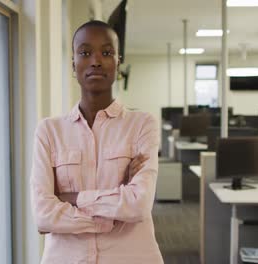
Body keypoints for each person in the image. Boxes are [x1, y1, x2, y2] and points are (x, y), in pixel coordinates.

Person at [30, 20, 164, 264]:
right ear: (74, 64)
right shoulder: (49, 131)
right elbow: (43, 215)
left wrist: (72, 198)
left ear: (117, 62)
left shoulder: (142, 125)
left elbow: (138, 206)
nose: (96, 61)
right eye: (85, 52)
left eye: (106, 52)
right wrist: (112, 215)